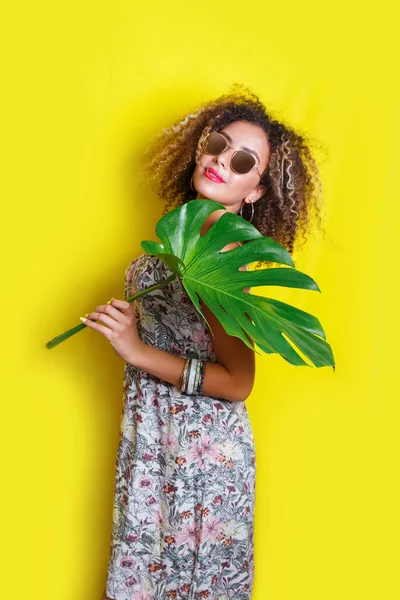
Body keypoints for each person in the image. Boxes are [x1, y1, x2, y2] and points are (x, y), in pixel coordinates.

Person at [82, 84, 323, 600]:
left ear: (256, 191)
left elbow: (239, 382)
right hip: (154, 438)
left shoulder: (224, 252)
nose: (221, 162)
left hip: (199, 453)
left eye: (243, 162)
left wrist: (137, 350)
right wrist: (137, 319)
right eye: (217, 145)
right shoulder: (184, 233)